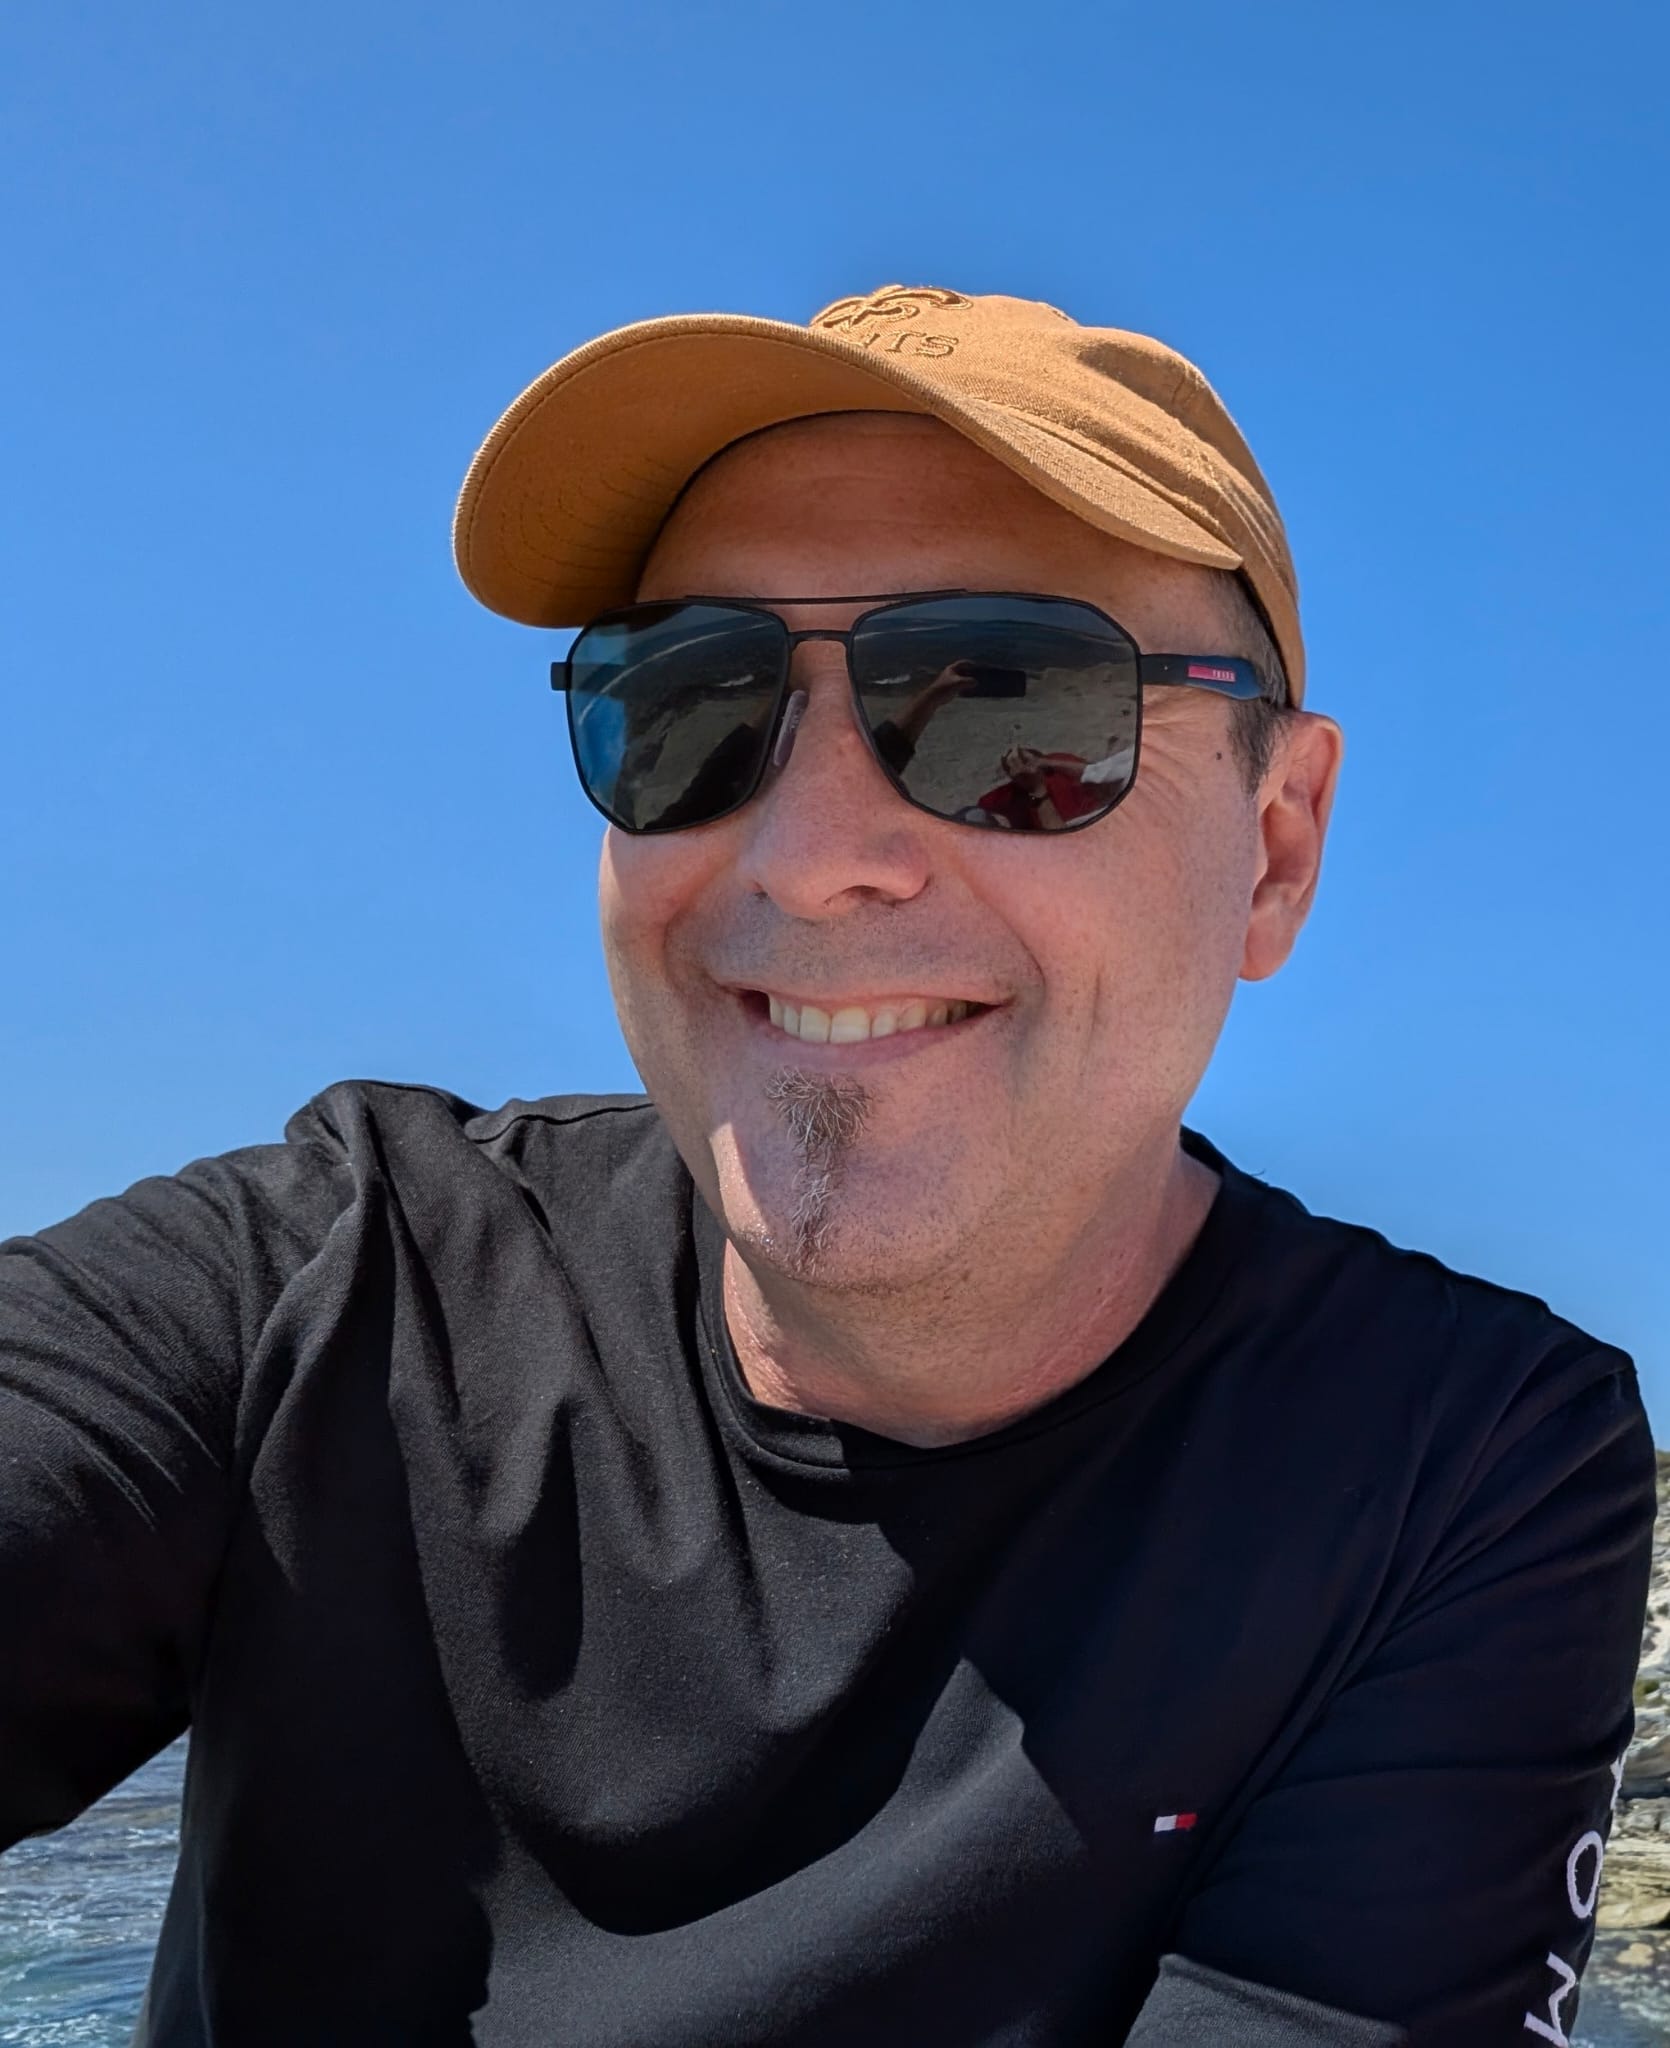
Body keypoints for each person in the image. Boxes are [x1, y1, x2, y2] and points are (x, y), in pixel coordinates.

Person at [0, 283, 1654, 2048]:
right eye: (687, 708)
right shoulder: (320, 1296)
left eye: (1007, 710)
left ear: (1271, 849)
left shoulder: (1450, 1466)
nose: (804, 855)